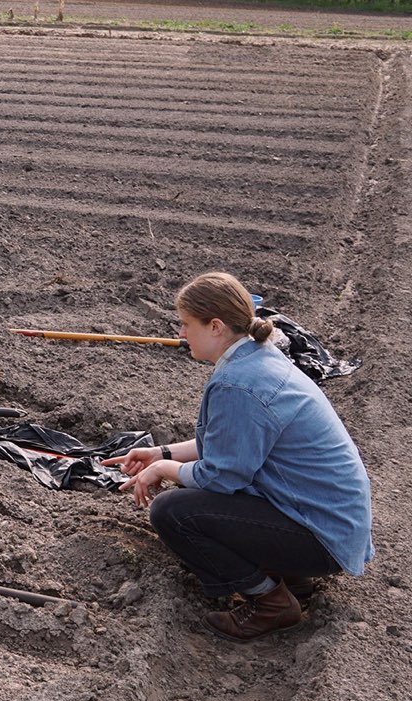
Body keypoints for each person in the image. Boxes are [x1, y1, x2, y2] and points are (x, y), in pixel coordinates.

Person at [104, 271, 374, 642]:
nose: (180, 334)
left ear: (215, 326)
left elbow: (222, 475)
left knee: (173, 511)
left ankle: (269, 602)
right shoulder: (258, 359)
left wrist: (166, 469)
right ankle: (292, 577)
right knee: (208, 497)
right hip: (330, 524)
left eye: (185, 324)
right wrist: (160, 453)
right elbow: (234, 442)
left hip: (320, 536)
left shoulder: (238, 383)